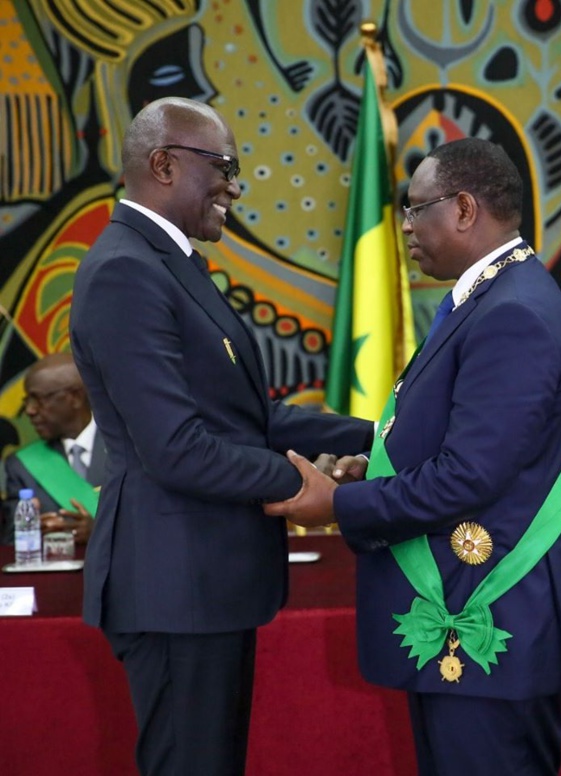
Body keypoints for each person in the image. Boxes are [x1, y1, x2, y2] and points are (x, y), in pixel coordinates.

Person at [264, 138, 561, 775]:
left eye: (418, 210)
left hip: (491, 623)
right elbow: (460, 441)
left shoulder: (513, 312)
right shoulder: (493, 297)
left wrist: (337, 503)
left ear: (466, 209)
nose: (408, 229)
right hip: (477, 631)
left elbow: (469, 476)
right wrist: (379, 468)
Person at [68, 96, 373, 776]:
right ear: (164, 164)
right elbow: (176, 449)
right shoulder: (126, 271)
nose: (235, 185)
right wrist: (306, 486)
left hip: (204, 581)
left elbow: (248, 419)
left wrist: (382, 436)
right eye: (225, 166)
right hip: (175, 584)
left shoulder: (167, 264)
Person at [1, 353, 104, 546]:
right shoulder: (22, 466)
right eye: (27, 402)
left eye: (38, 399)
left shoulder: (127, 450)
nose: (30, 410)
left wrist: (97, 532)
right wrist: (37, 530)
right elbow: (10, 541)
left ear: (74, 397)